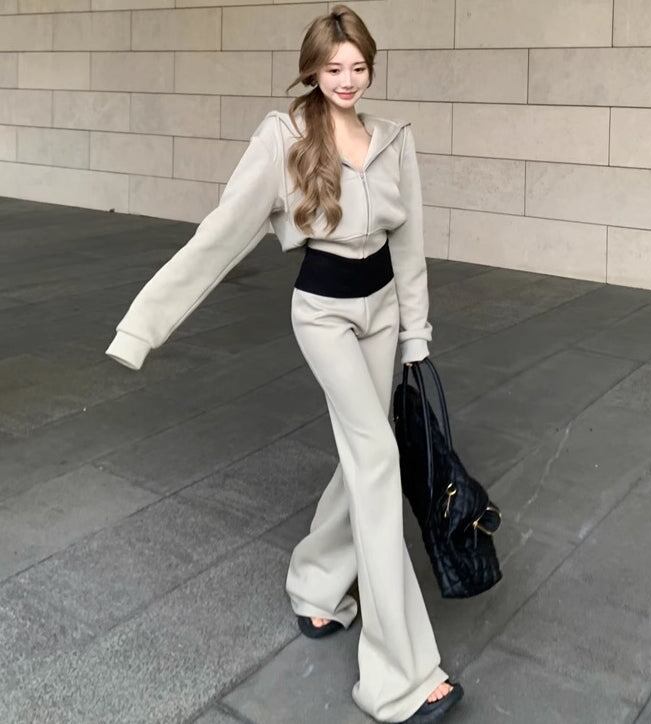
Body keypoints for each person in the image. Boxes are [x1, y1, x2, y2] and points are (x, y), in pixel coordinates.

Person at [104, 4, 463, 723]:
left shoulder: (394, 140)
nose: (348, 80)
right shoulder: (285, 137)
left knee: (365, 453)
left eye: (359, 67)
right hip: (324, 316)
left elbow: (411, 247)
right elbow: (222, 233)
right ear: (313, 70)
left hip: (383, 314)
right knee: (377, 460)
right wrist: (142, 326)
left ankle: (316, 583)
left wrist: (416, 335)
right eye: (334, 68)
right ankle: (397, 677)